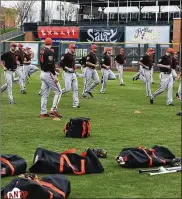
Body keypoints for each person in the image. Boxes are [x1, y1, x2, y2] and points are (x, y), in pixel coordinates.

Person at [40, 38, 62, 118]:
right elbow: (50, 65)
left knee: (44, 94)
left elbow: (46, 64)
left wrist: (54, 69)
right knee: (59, 91)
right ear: (51, 43)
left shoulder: (42, 50)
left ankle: (43, 112)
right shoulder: (49, 51)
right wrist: (55, 75)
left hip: (42, 72)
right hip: (48, 74)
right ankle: (53, 109)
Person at [60, 43, 80, 108]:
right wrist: (68, 68)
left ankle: (76, 103)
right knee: (67, 89)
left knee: (75, 89)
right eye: (73, 48)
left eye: (75, 48)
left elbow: (73, 65)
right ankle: (58, 93)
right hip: (67, 73)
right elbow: (61, 63)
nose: (75, 49)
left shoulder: (73, 55)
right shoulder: (65, 55)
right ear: (70, 48)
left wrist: (74, 71)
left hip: (73, 74)